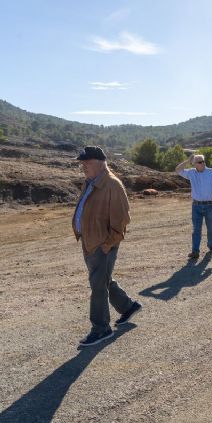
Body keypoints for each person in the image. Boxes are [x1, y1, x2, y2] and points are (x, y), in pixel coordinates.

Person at [72, 146, 142, 347]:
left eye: (87, 162)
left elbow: (122, 219)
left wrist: (108, 244)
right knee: (102, 279)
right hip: (90, 241)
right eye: (81, 163)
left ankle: (101, 329)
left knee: (98, 284)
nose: (83, 166)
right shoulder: (90, 182)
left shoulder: (112, 185)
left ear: (101, 162)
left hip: (102, 244)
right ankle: (128, 307)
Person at [175, 154, 212, 259]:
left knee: (210, 228)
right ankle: (195, 252)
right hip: (196, 206)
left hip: (210, 205)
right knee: (196, 229)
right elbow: (178, 170)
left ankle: (211, 246)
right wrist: (187, 161)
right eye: (200, 162)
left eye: (203, 161)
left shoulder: (211, 172)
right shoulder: (191, 172)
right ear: (195, 164)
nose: (203, 163)